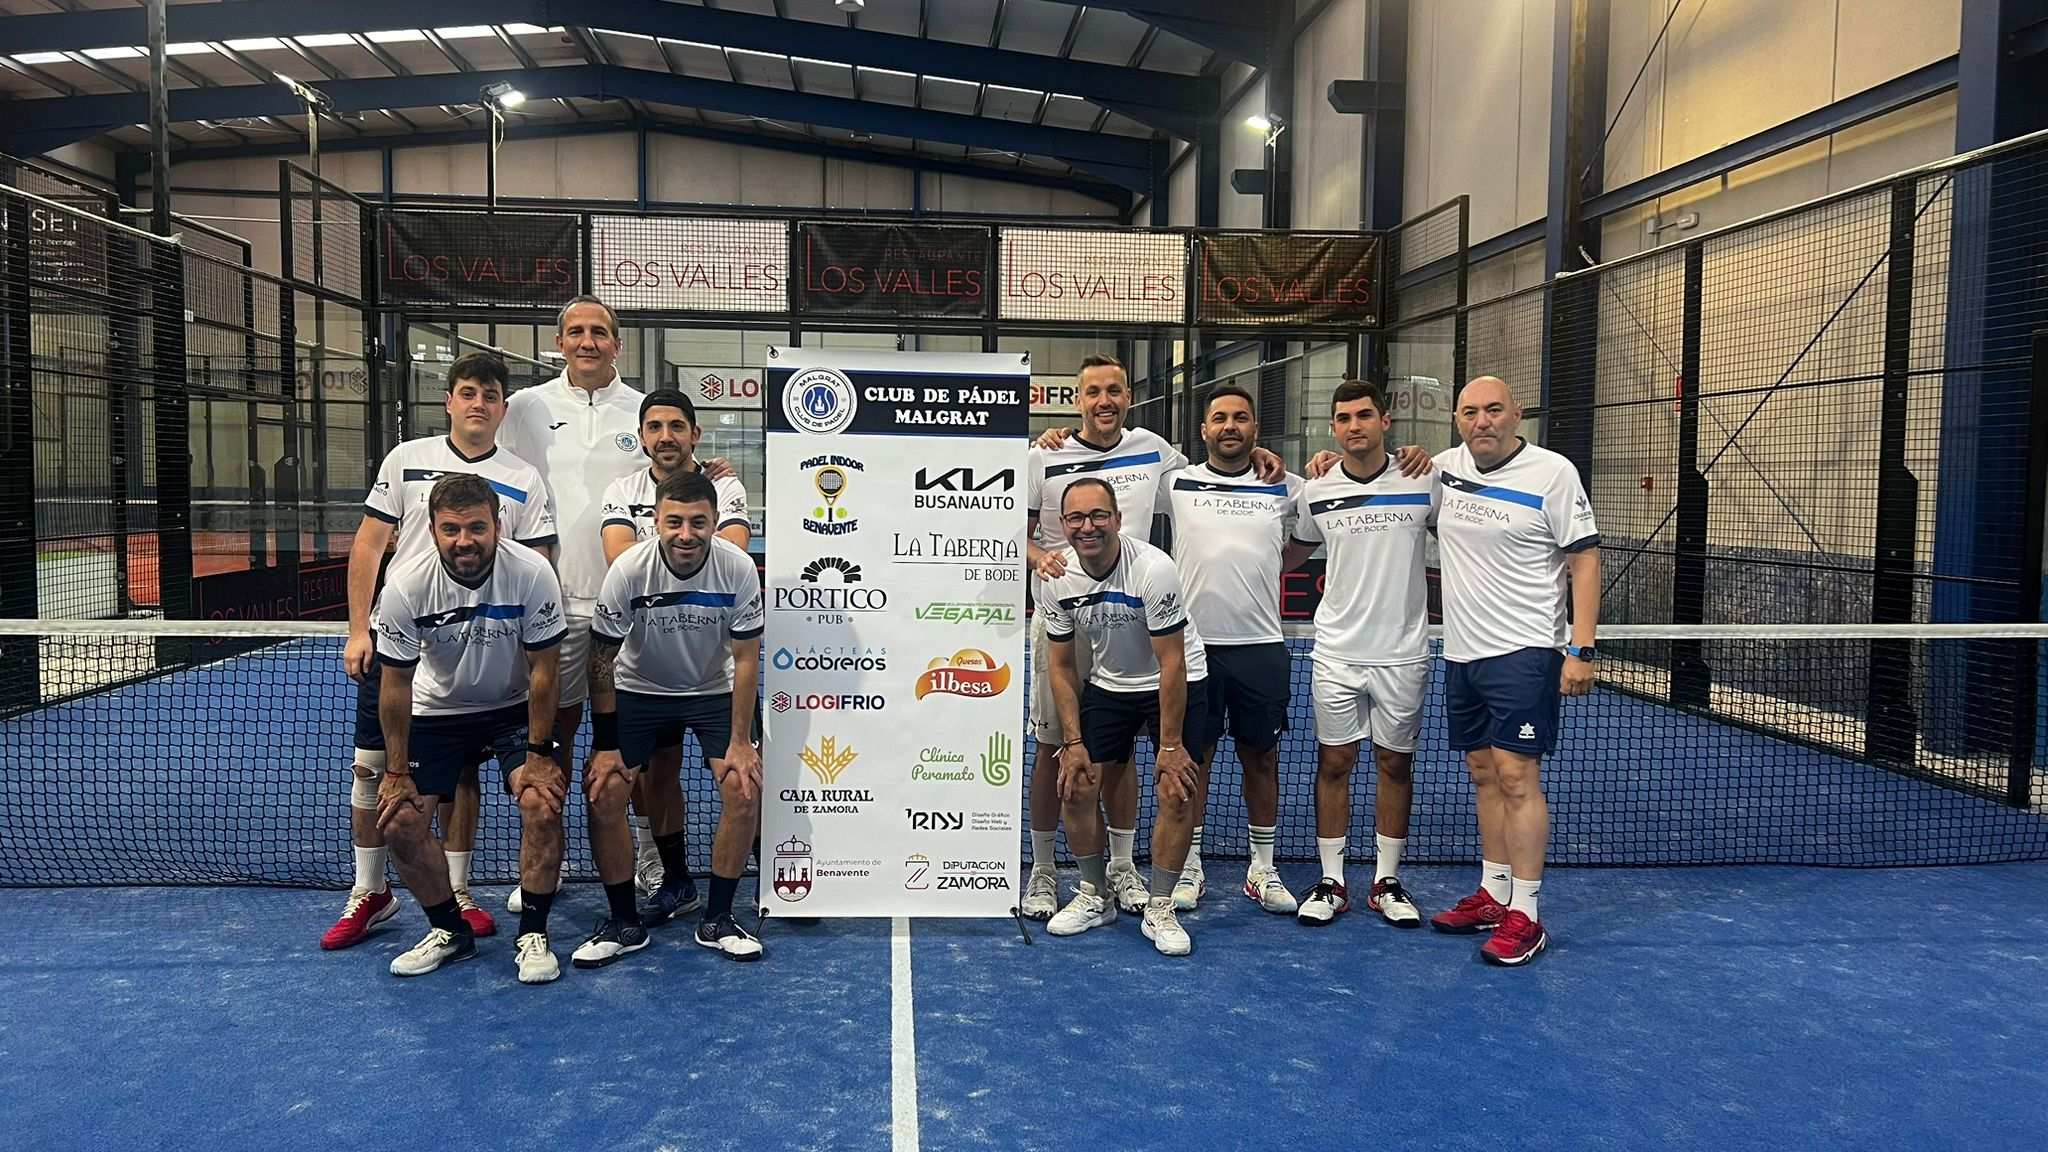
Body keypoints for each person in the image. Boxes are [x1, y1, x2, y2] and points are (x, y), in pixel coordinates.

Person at [1020, 355, 1281, 921]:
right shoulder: (1045, 455)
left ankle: (1120, 868)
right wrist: (1041, 559)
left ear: (1129, 396)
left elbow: (1212, 474)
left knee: (1121, 758)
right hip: (1067, 607)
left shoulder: (1155, 450)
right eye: (1093, 391)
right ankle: (1043, 870)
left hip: (1141, 620)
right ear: (1077, 400)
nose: (1104, 401)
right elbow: (1009, 527)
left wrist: (1256, 455)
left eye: (1114, 390)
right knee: (1056, 748)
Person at [323, 352, 557, 951]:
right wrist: (359, 629)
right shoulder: (406, 459)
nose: (478, 403)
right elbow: (369, 545)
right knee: (376, 772)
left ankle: (457, 893)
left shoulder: (524, 477)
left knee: (464, 778)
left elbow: (535, 565)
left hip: (485, 655)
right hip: (405, 645)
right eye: (467, 392)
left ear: (503, 407)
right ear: (449, 401)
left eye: (490, 394)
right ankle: (369, 890)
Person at [1426, 375, 1599, 966]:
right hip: (1462, 652)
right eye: (1470, 411)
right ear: (1457, 419)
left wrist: (1581, 649)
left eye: (1494, 409)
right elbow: (1376, 473)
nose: (1483, 421)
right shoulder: (1443, 470)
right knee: (1482, 773)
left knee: (1517, 777)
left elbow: (1584, 559)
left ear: (1517, 414)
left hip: (1526, 651)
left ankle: (1526, 912)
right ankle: (1494, 893)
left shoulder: (1553, 473)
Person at [371, 474, 569, 983]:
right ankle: (449, 931)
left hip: (512, 707)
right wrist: (396, 771)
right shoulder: (405, 585)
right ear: (432, 531)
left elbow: (545, 671)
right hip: (436, 713)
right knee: (399, 822)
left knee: (542, 804)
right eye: (451, 529)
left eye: (477, 527)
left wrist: (540, 754)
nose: (465, 541)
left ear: (497, 525)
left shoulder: (532, 573)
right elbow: (395, 684)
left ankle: (533, 934)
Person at [579, 472, 767, 967]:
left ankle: (719, 918)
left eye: (698, 522)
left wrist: (741, 741)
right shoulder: (629, 570)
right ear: (656, 522)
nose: (686, 534)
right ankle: (623, 923)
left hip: (712, 690)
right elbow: (600, 659)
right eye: (675, 522)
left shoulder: (738, 568)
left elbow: (746, 658)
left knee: (744, 786)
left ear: (715, 522)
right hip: (640, 690)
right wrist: (606, 744)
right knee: (604, 791)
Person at [1037, 478, 1217, 957]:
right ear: (1063, 525)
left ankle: (1161, 906)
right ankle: (1096, 896)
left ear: (1117, 519)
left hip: (1173, 681)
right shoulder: (1056, 578)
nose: (1088, 526)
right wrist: (1072, 742)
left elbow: (1172, 663)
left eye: (1099, 515)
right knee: (1075, 784)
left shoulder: (1154, 570)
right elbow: (1061, 666)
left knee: (1176, 789)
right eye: (1076, 518)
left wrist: (1172, 747)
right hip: (1110, 683)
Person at [1285, 380, 1437, 928]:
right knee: (1335, 762)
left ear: (1385, 421)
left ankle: (1386, 881)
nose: (1355, 426)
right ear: (1333, 427)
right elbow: (1293, 552)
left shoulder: (1425, 480)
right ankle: (1331, 881)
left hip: (1403, 653)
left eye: (1365, 415)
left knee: (1395, 763)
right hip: (1337, 652)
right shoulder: (1316, 489)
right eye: (1345, 418)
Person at [598, 388, 752, 912]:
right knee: (655, 775)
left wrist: (670, 538)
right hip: (646, 672)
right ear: (642, 437)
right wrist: (682, 541)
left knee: (744, 778)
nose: (666, 437)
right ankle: (674, 880)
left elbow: (731, 550)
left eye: (677, 426)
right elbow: (619, 555)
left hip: (712, 673)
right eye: (655, 427)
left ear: (695, 434)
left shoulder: (725, 484)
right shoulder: (622, 489)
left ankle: (752, 891)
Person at [1158, 385, 1306, 914]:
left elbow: (1314, 526)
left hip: (1261, 647)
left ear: (1255, 429)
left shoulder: (1285, 484)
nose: (1230, 426)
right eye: (1219, 418)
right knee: (1193, 759)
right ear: (1203, 430)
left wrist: (1267, 569)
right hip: (1192, 649)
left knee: (1261, 758)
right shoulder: (1176, 482)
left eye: (1240, 418)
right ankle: (1189, 865)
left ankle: (1262, 868)